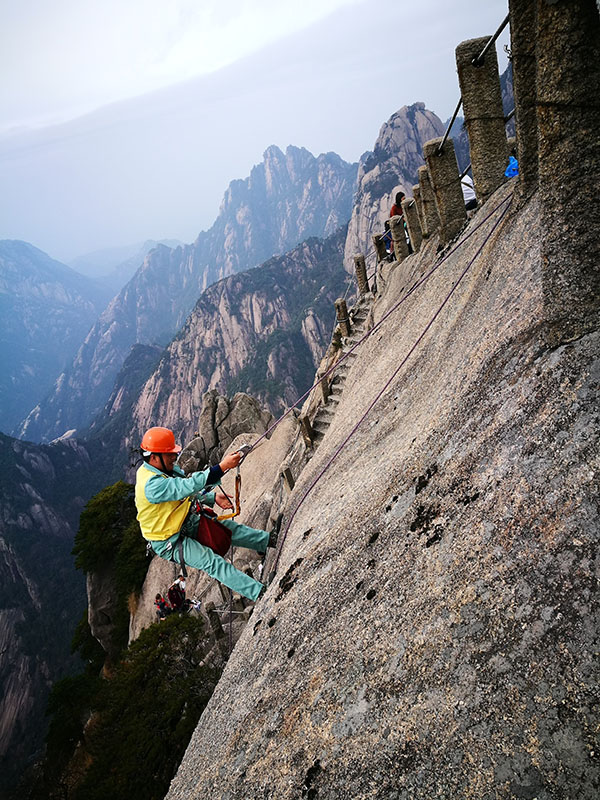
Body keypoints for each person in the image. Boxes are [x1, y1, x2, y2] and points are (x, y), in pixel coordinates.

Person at [135, 426, 276, 602]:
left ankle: (270, 540)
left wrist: (212, 497)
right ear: (154, 457)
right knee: (211, 562)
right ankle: (261, 594)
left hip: (185, 521)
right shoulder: (151, 485)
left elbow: (184, 489)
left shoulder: (163, 470)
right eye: (169, 454)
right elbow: (185, 487)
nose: (174, 457)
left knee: (230, 529)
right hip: (169, 540)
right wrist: (222, 467)